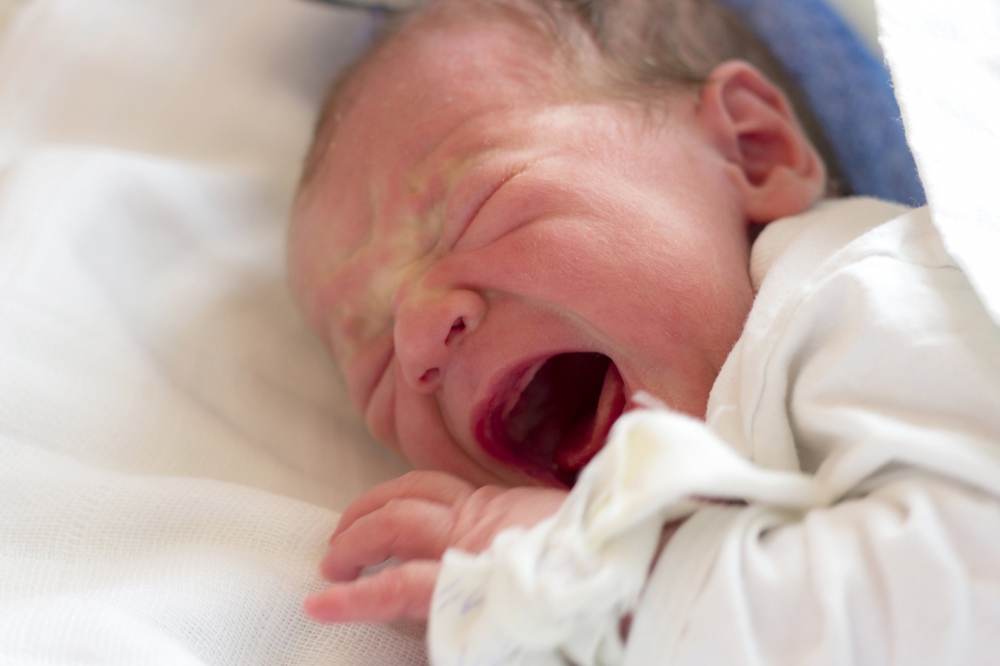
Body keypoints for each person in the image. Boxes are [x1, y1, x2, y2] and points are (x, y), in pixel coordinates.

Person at [288, 0, 1000, 663]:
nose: (415, 338)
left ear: (754, 151)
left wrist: (619, 576)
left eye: (479, 208)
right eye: (374, 357)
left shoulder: (868, 290)